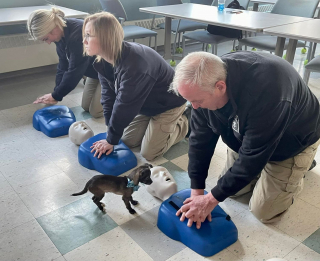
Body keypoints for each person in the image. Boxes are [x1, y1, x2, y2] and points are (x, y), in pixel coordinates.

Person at [170, 51, 320, 229]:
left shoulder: (269, 90)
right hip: (245, 135)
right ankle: (267, 176)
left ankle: (300, 167)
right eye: (190, 101)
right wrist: (197, 190)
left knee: (263, 212)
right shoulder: (205, 82)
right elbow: (199, 141)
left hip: (291, 142)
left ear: (220, 87)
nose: (194, 107)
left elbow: (252, 156)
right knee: (231, 191)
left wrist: (210, 200)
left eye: (198, 101)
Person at [82, 12, 188, 161]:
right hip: (145, 105)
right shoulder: (103, 61)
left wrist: (111, 140)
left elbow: (125, 105)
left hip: (169, 104)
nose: (84, 41)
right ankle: (156, 127)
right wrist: (109, 133)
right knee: (127, 141)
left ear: (106, 37)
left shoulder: (136, 65)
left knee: (149, 153)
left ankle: (185, 122)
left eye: (88, 35)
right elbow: (108, 97)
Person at [27, 7, 103, 118]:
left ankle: (123, 92)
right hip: (95, 71)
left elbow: (75, 71)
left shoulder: (78, 34)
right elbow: (63, 65)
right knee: (86, 107)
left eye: (46, 38)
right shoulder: (61, 34)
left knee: (96, 112)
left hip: (111, 71)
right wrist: (56, 92)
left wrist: (56, 95)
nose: (48, 43)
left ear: (53, 28)